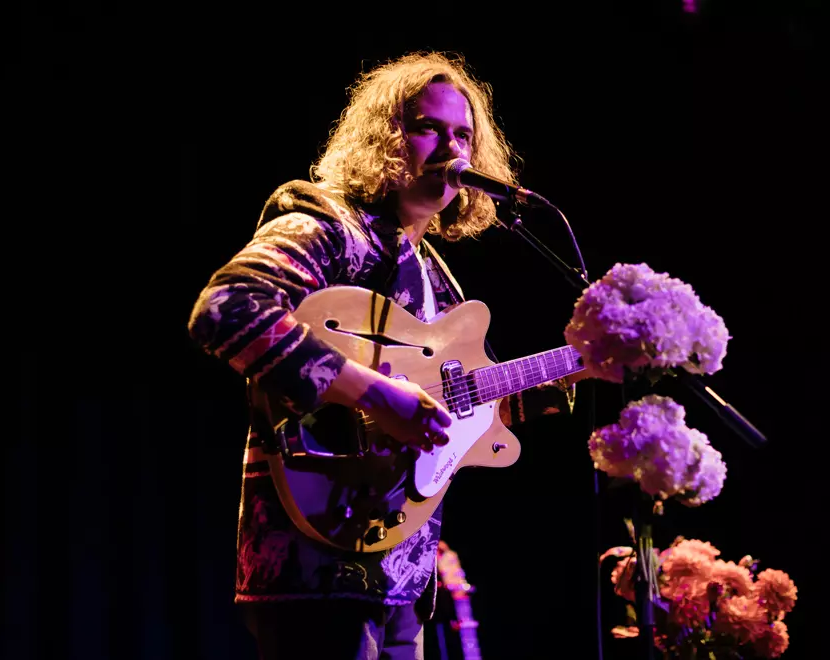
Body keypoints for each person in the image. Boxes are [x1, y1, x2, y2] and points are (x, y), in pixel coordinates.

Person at [187, 51, 586, 659]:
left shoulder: (437, 279)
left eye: (463, 135)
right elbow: (227, 309)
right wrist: (375, 393)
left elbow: (475, 415)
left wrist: (586, 362)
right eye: (427, 127)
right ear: (382, 138)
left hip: (404, 575)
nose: (451, 150)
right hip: (313, 562)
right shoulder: (329, 223)